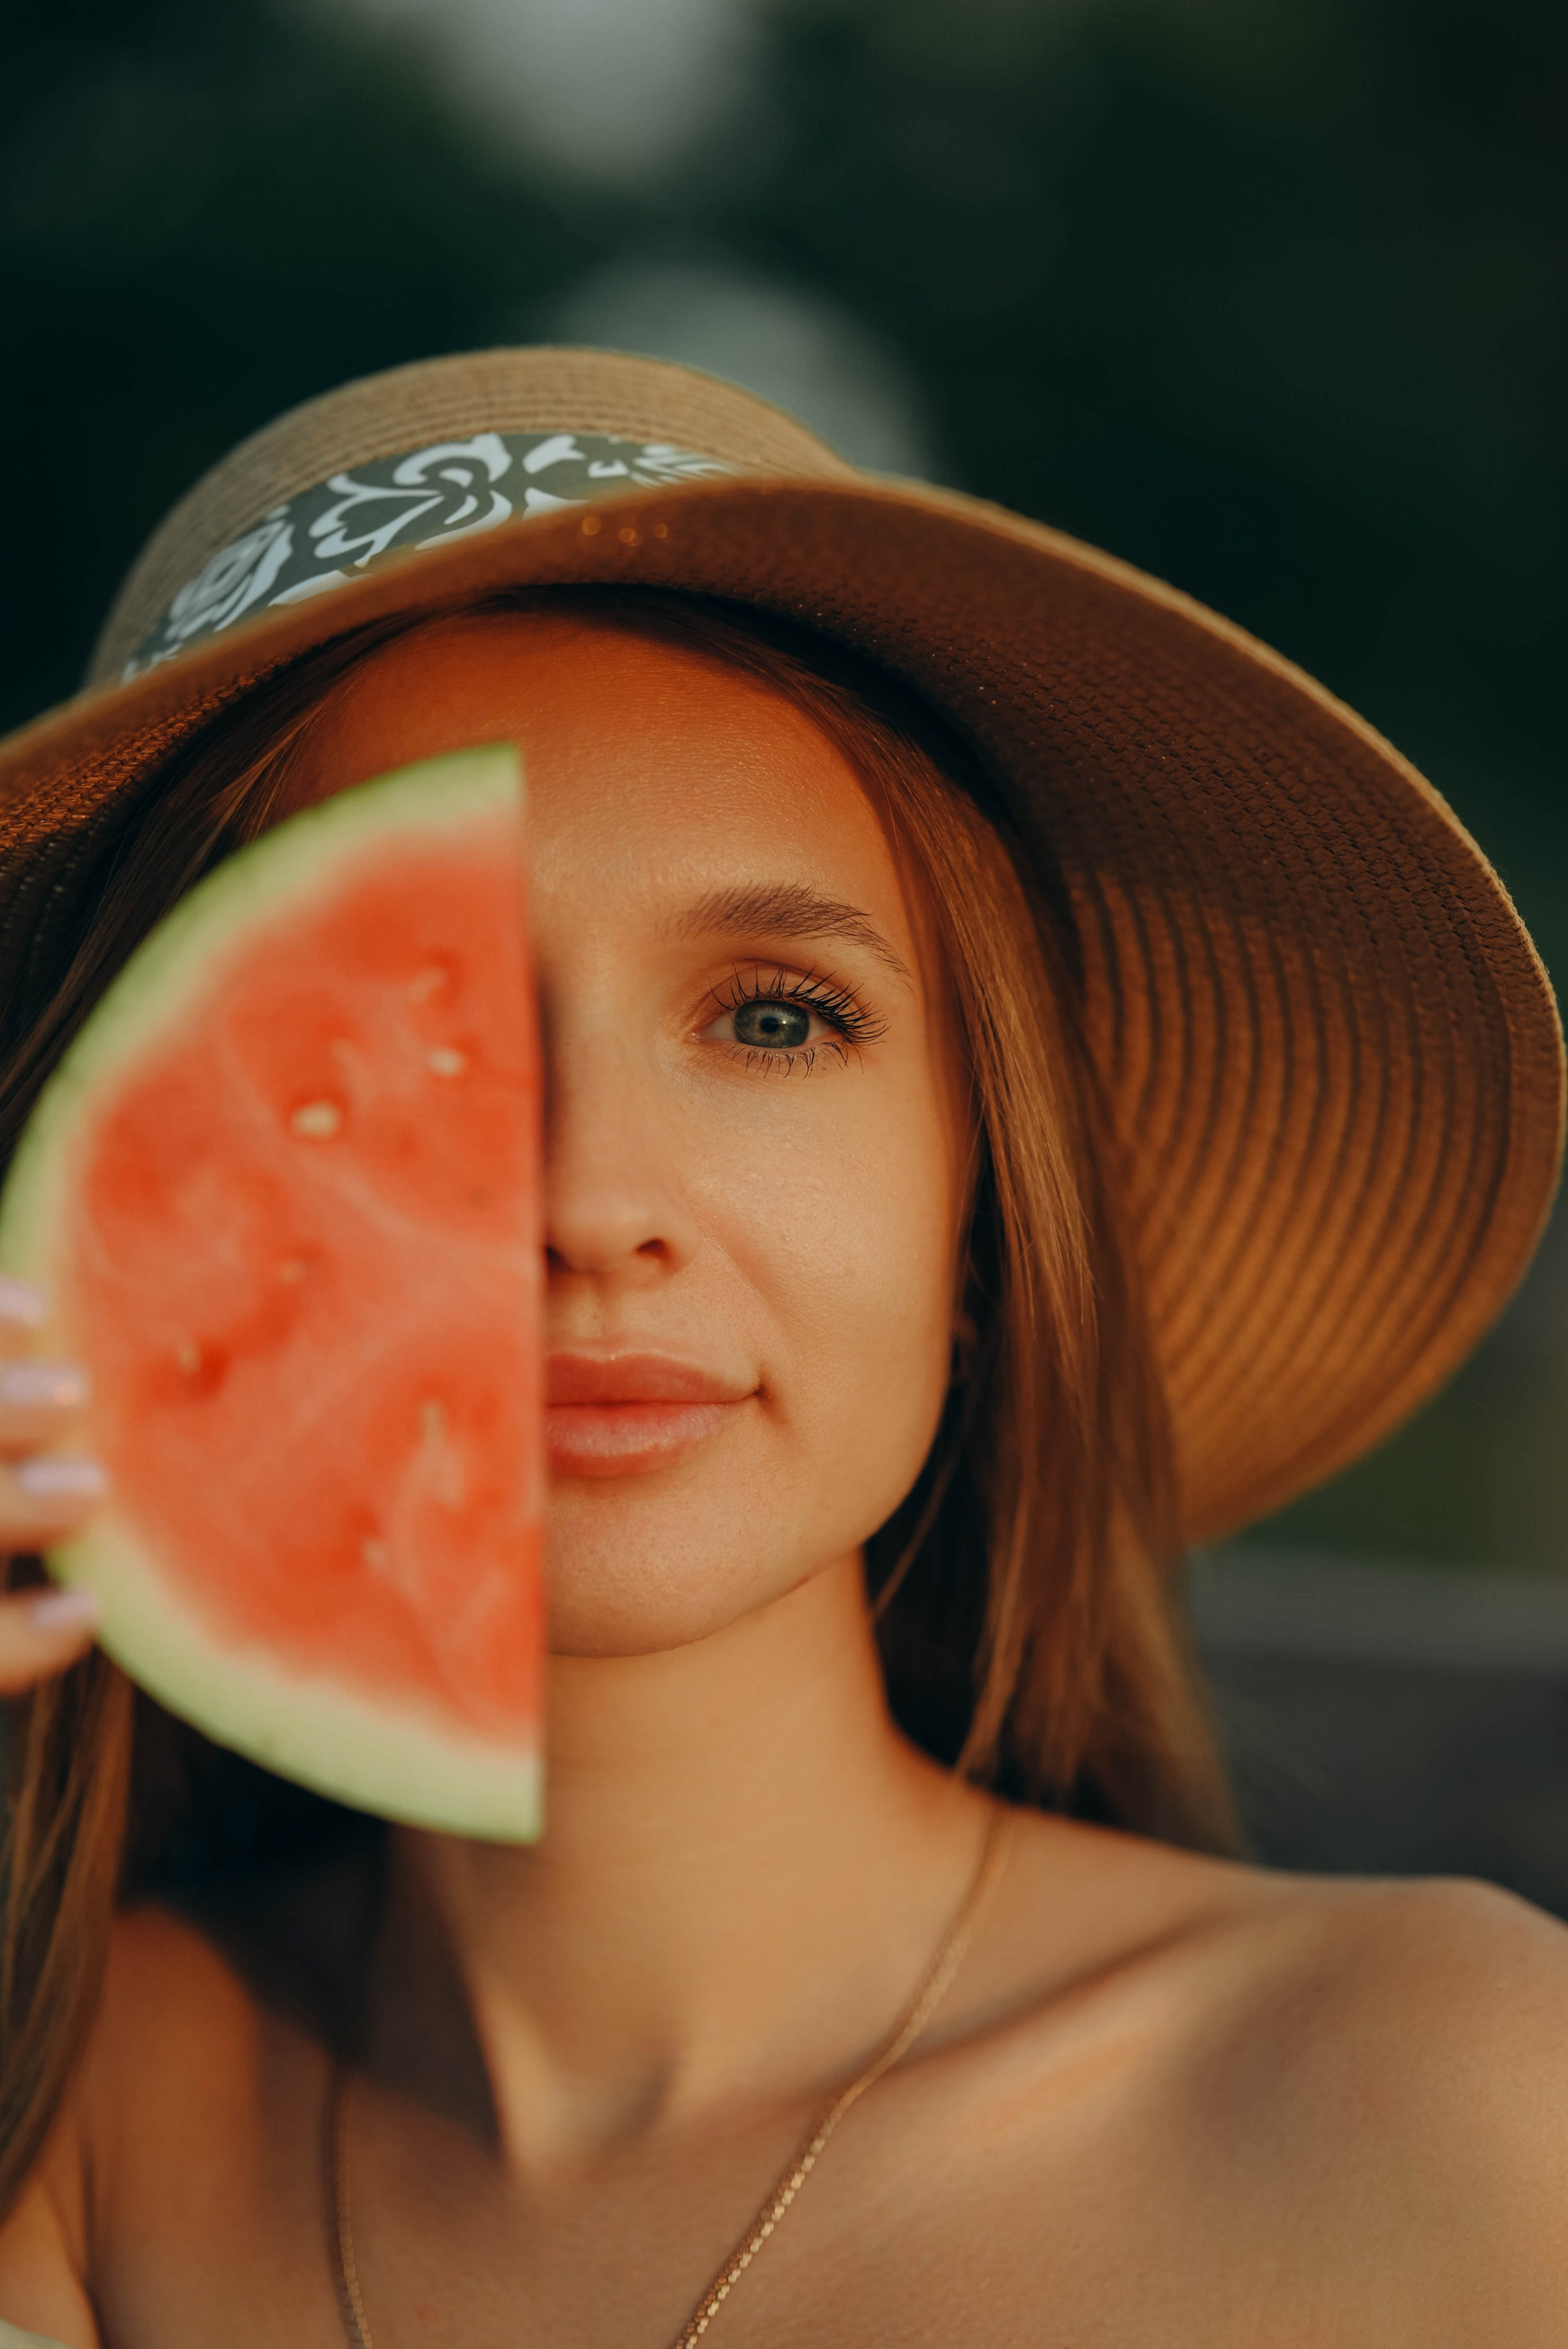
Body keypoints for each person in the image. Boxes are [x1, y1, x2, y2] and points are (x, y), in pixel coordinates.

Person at [0, 350, 1564, 2348]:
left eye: (773, 1019)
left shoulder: (1460, 2106)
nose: (589, 1199)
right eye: (379, 1048)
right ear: (133, 1231)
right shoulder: (68, 2114)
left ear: (978, 1218)